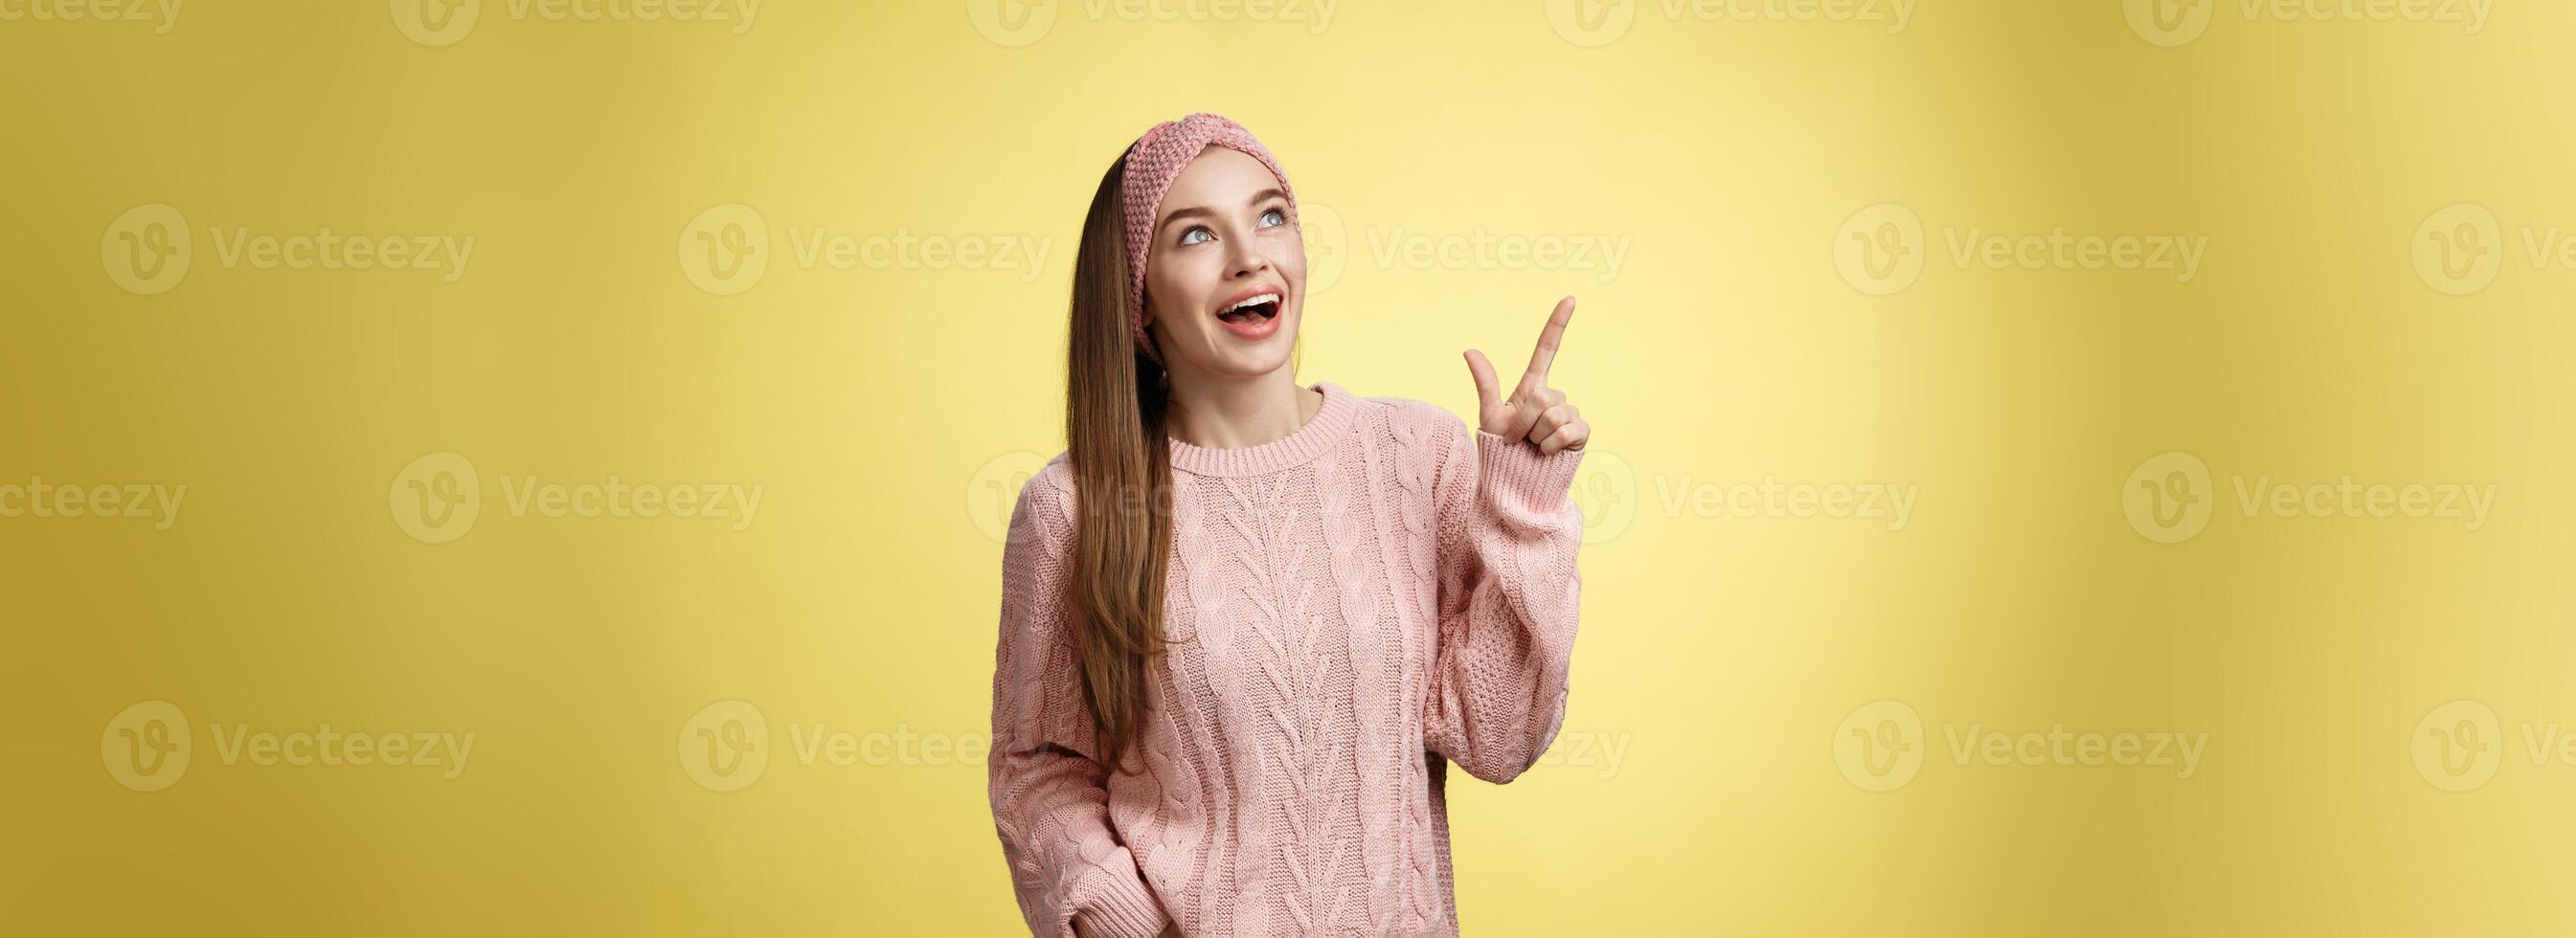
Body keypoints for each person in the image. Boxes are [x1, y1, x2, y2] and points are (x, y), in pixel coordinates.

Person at [987, 111, 1591, 938]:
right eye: (1196, 235)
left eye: (1271, 216)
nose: (1250, 257)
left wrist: (1522, 501)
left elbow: (1499, 737)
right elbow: (1039, 770)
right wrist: (1126, 923)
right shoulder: (1074, 509)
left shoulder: (1416, 454)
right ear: (1138, 296)